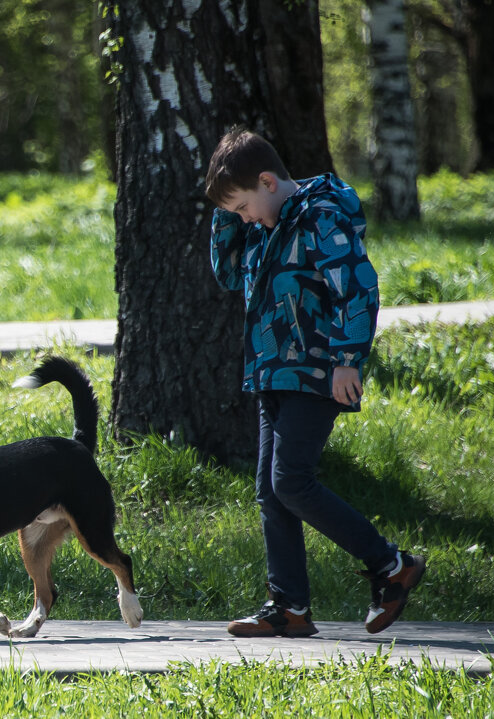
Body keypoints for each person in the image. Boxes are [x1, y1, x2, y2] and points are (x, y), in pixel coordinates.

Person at [205, 126, 425, 637]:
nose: (243, 217)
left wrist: (348, 359)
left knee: (291, 481)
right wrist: (225, 211)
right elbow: (226, 272)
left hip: (318, 371)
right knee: (269, 491)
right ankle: (290, 607)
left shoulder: (321, 216)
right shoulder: (264, 223)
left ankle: (392, 566)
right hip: (273, 372)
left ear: (267, 180)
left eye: (242, 205)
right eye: (234, 212)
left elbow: (359, 288)